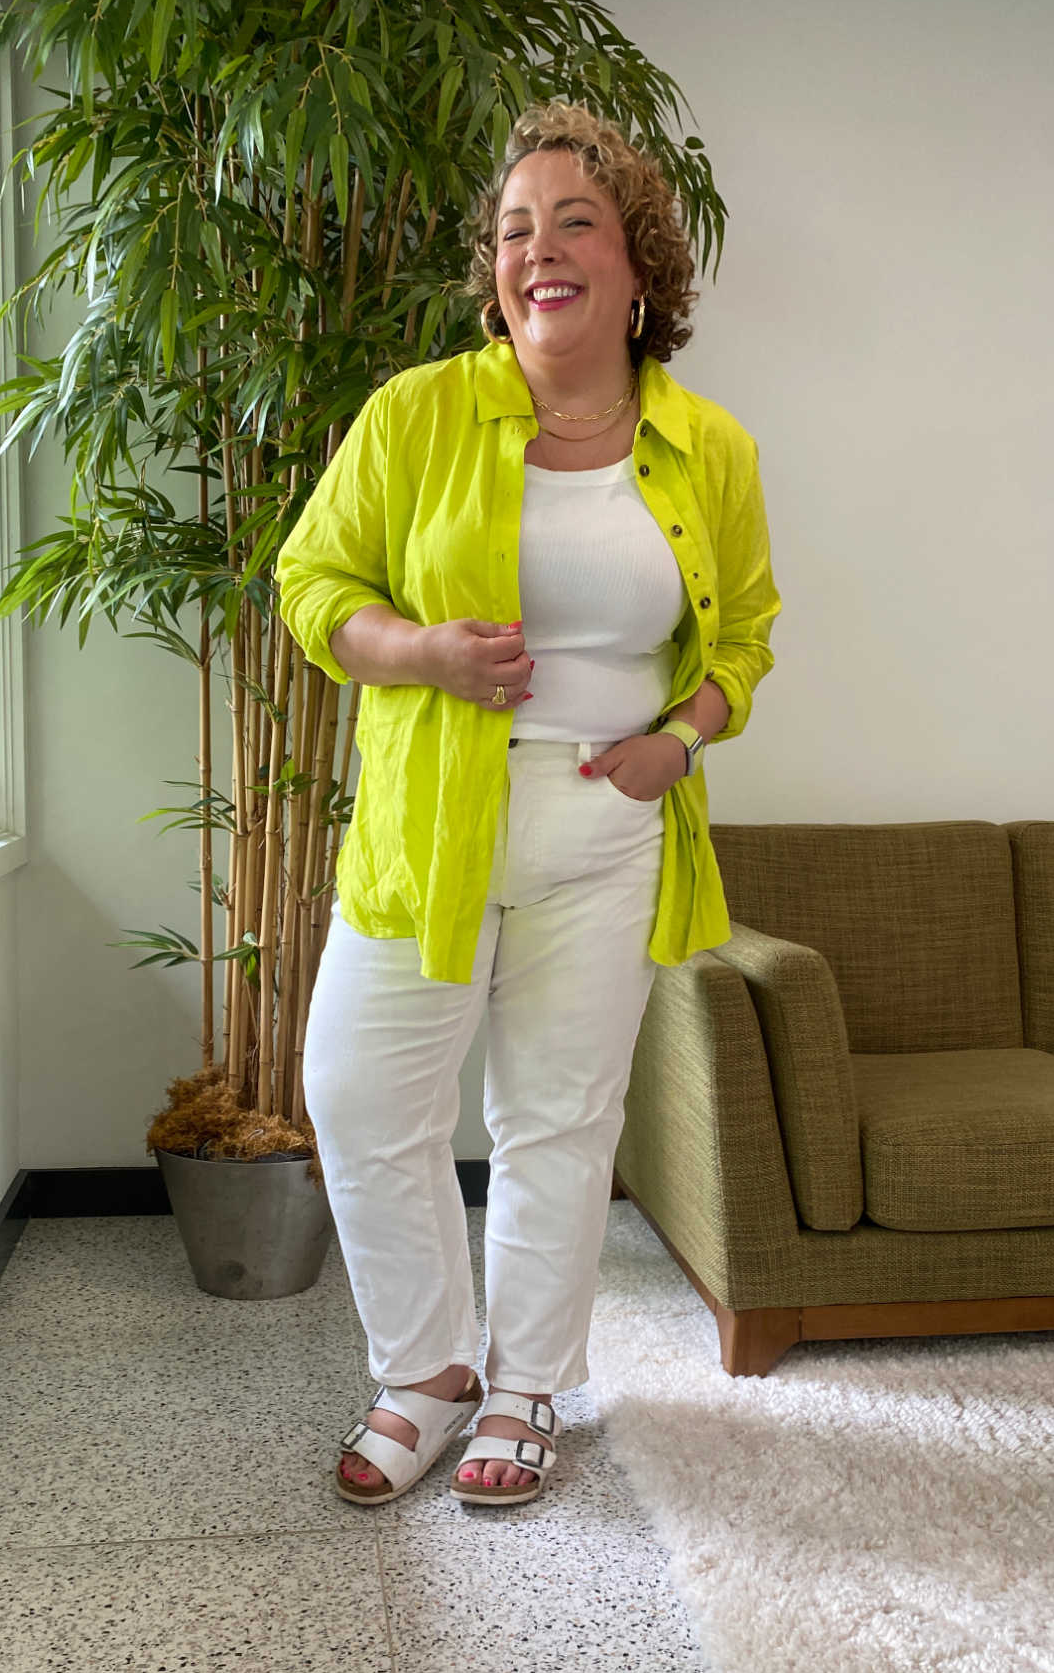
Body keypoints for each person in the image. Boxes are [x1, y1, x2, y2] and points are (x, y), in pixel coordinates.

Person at [277, 99, 780, 1510]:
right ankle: (424, 1371)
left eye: (574, 222)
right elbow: (313, 589)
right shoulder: (417, 413)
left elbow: (743, 640)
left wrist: (680, 741)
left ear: (638, 267)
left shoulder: (711, 450)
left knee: (558, 1121)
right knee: (362, 1096)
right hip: (427, 832)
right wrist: (423, 652)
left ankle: (523, 1388)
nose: (537, 251)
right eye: (514, 230)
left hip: (605, 833)